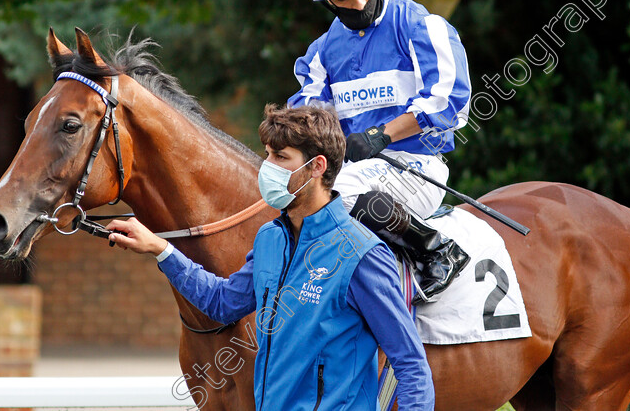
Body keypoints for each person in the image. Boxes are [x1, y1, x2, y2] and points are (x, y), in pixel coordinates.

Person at [106, 104, 435, 410]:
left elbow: (410, 364)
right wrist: (161, 250)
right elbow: (223, 302)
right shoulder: (269, 239)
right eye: (267, 155)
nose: (267, 167)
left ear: (317, 166)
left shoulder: (362, 254)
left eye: (280, 157)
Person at [289, 0, 473, 301]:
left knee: (337, 194)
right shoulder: (321, 54)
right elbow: (306, 116)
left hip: (417, 166)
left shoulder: (420, 25)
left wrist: (381, 135)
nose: (357, 2)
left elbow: (451, 101)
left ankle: (437, 249)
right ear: (327, 2)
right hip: (356, 168)